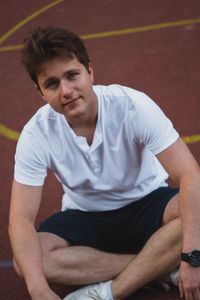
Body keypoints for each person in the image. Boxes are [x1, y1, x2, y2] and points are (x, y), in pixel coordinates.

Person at [8, 26, 200, 300]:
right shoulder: (36, 133)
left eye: (72, 76)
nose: (66, 90)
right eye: (52, 84)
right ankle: (158, 266)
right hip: (86, 214)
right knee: (28, 261)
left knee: (196, 208)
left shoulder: (132, 106)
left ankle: (109, 291)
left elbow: (191, 176)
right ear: (40, 91)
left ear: (90, 71)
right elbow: (21, 220)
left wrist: (192, 257)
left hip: (148, 202)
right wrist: (39, 290)